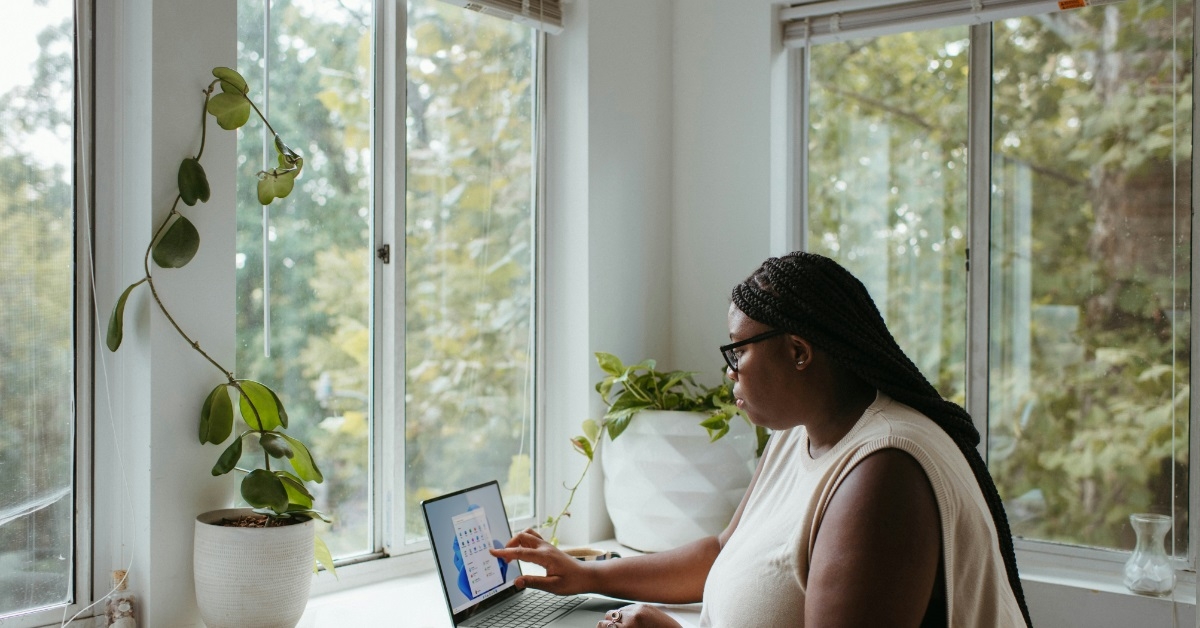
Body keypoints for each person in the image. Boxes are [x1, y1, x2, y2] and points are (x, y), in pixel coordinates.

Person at [492, 252, 1032, 627]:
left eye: (738, 350)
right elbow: (722, 553)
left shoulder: (883, 472)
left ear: (798, 352)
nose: (729, 371)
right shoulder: (800, 434)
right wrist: (587, 573)